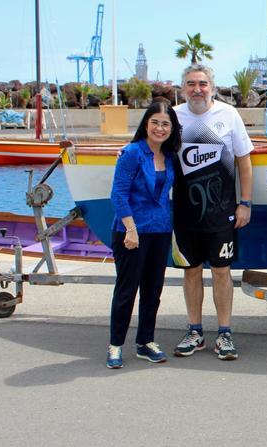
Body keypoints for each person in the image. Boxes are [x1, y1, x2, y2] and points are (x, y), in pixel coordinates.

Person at [171, 64, 254, 361]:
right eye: (191, 84)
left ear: (212, 87)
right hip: (184, 214)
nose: (197, 89)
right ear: (183, 88)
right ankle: (195, 331)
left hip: (222, 213)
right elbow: (153, 150)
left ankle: (225, 333)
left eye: (203, 83)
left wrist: (245, 203)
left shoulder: (228, 114)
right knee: (191, 272)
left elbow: (244, 161)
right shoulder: (173, 116)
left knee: (221, 271)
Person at [107, 102, 182, 369]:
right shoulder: (131, 153)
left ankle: (145, 342)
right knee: (127, 291)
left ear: (171, 129)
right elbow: (118, 194)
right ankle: (115, 345)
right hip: (131, 232)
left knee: (153, 290)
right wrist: (130, 229)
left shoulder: (171, 155)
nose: (160, 128)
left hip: (160, 230)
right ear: (146, 124)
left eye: (166, 124)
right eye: (155, 122)